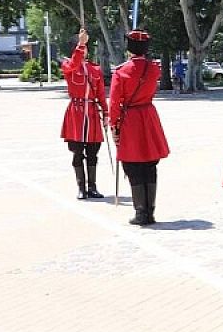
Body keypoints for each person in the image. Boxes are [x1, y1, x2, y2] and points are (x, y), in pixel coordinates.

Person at [108, 29, 170, 226]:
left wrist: (114, 126)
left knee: (133, 165)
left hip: (131, 119)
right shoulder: (154, 69)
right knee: (150, 164)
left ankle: (140, 212)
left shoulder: (121, 71)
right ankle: (150, 211)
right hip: (148, 116)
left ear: (129, 48)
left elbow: (115, 102)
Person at [60, 28, 108, 200]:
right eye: (81, 47)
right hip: (77, 113)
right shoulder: (68, 66)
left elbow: (101, 93)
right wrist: (81, 44)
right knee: (77, 152)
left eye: (86, 47)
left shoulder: (95, 69)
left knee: (93, 152)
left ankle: (92, 187)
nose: (85, 50)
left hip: (92, 112)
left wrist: (106, 112)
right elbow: (74, 64)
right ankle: (81, 187)